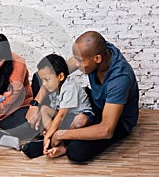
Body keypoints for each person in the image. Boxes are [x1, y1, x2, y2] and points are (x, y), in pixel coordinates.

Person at [47, 31, 139, 162]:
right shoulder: (100, 50)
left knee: (76, 151)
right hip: (97, 103)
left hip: (117, 120)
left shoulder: (120, 78)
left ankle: (64, 146)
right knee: (44, 76)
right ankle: (53, 129)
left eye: (79, 60)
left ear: (97, 59)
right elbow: (59, 72)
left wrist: (61, 134)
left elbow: (106, 129)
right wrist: (36, 102)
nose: (76, 64)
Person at [21, 54, 94, 158]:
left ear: (60, 76)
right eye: (42, 80)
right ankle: (53, 141)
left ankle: (58, 142)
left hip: (79, 116)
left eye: (47, 80)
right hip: (66, 117)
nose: (44, 84)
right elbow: (56, 112)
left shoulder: (70, 87)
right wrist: (49, 129)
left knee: (80, 120)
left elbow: (60, 116)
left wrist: (49, 134)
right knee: (44, 110)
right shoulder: (54, 89)